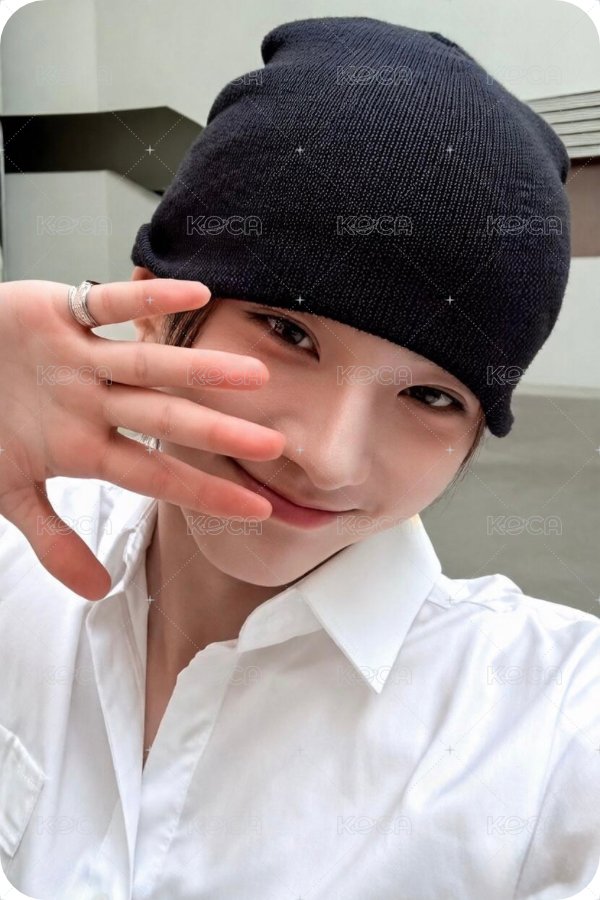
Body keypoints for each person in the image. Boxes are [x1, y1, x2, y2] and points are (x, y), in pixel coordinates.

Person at [0, 15, 598, 900]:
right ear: (155, 312)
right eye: (288, 333)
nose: (328, 459)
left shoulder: (549, 721)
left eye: (432, 397)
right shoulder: (21, 550)